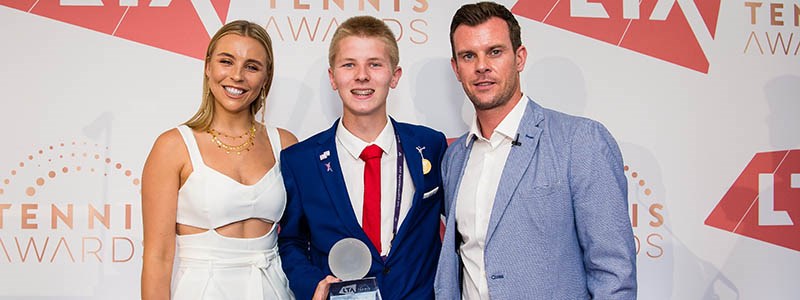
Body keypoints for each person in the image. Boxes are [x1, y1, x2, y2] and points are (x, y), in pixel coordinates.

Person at [434, 2, 637, 299]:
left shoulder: (580, 141)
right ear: (456, 68)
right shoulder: (454, 159)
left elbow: (614, 271)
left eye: (495, 52)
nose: (481, 66)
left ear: (519, 58)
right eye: (468, 56)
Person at [278, 16, 447, 300]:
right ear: (333, 77)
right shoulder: (300, 161)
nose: (362, 75)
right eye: (349, 64)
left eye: (375, 64)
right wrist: (312, 286)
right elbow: (291, 240)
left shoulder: (431, 145)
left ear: (395, 75)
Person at [141, 20, 297, 300]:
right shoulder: (173, 146)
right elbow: (158, 257)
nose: (237, 76)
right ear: (208, 66)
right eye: (227, 61)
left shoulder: (285, 144)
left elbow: (300, 240)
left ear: (265, 77)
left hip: (274, 291)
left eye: (252, 66)